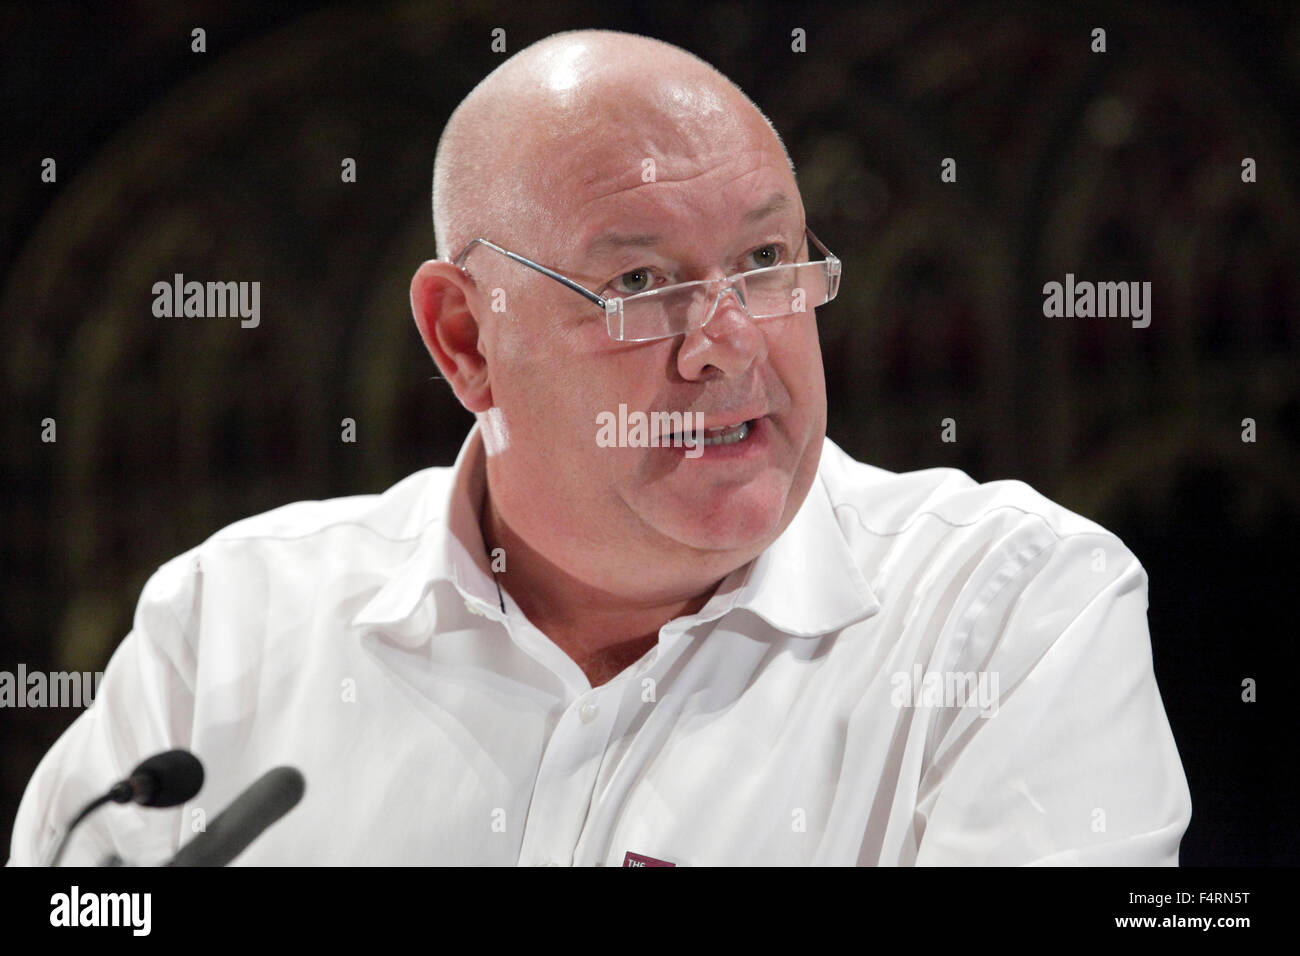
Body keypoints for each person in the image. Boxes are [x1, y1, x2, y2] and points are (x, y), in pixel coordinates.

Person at [8, 29, 1190, 866]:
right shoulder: (229, 624)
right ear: (464, 337)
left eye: (770, 263)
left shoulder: (1012, 609)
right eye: (637, 283)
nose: (726, 344)